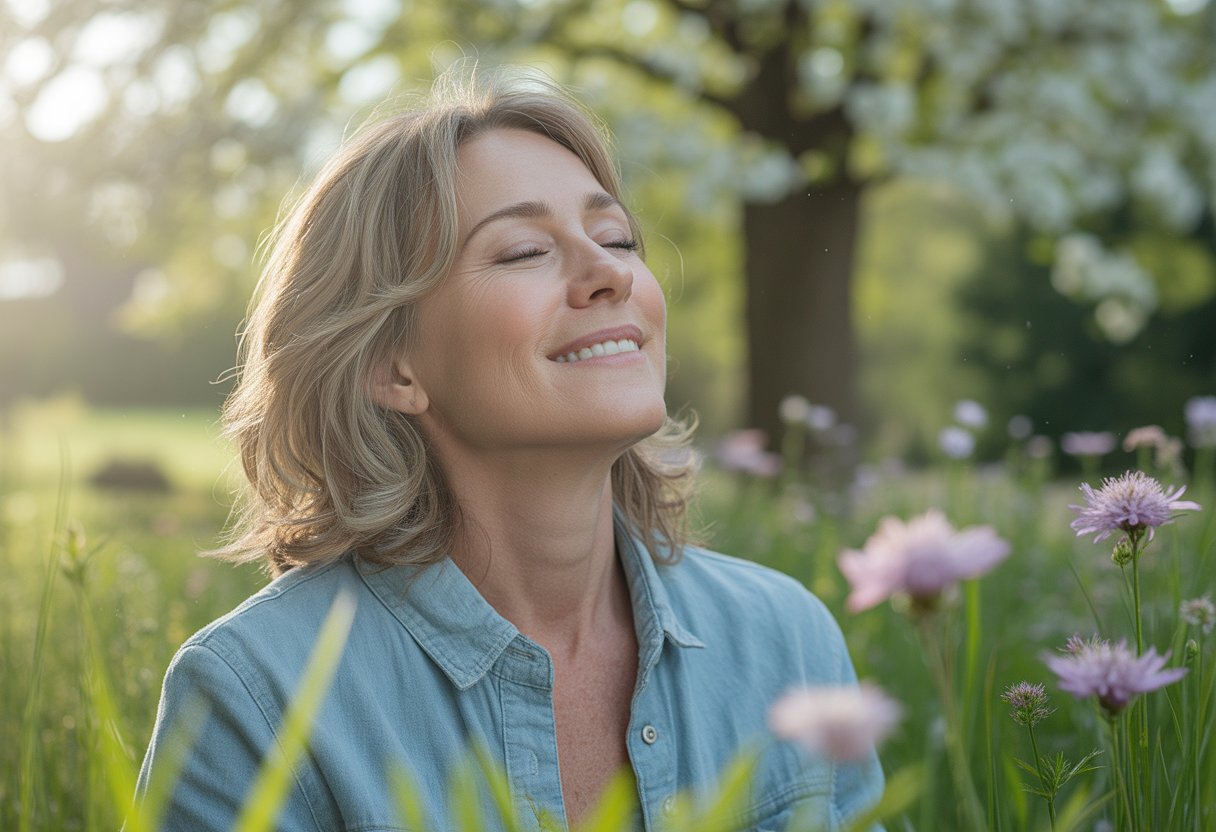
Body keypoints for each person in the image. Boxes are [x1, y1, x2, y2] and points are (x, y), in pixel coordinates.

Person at [136, 66, 884, 831]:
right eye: (526, 251)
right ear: (390, 365)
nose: (607, 274)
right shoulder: (253, 695)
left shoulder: (787, 637)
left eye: (617, 236)